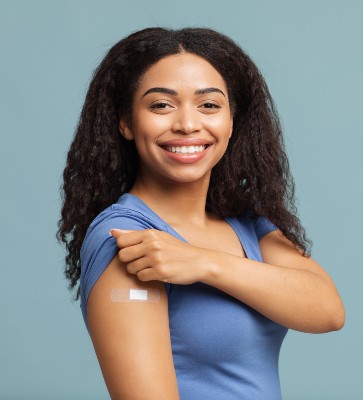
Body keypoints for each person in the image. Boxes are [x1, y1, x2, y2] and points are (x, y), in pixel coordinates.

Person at [57, 27, 345, 399]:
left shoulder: (245, 221)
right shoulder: (128, 239)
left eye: (209, 105)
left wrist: (204, 263)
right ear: (126, 122)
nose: (188, 124)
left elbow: (328, 310)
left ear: (231, 121)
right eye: (161, 105)